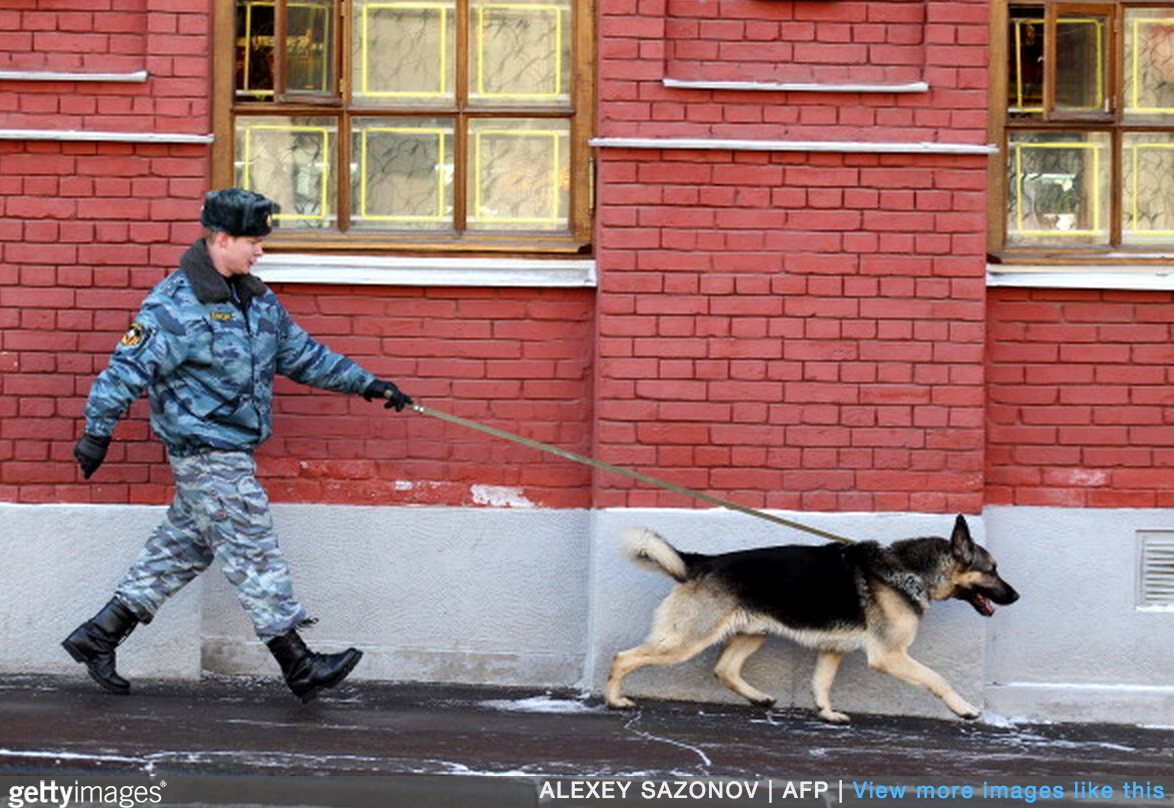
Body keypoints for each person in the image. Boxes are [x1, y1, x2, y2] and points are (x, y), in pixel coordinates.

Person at [63, 187, 411, 702]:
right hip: (206, 453)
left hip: (228, 452)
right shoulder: (173, 306)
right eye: (252, 241)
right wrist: (97, 432)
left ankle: (98, 637)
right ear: (221, 239)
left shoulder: (256, 300)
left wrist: (369, 384)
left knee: (181, 550)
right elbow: (126, 369)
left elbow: (303, 356)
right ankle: (298, 663)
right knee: (253, 547)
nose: (260, 251)